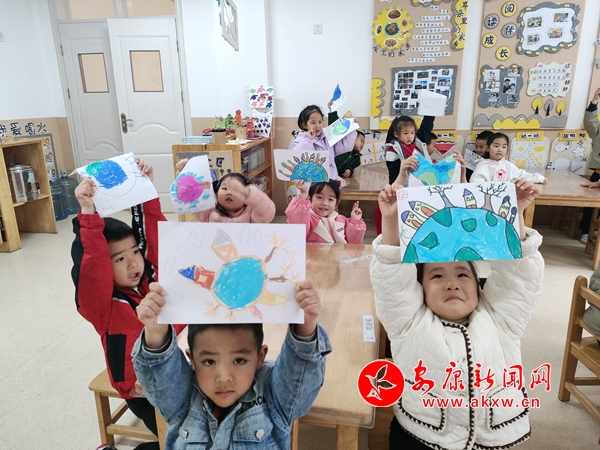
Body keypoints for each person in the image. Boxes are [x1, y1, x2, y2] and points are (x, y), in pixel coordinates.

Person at [371, 172, 544, 449]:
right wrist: (390, 220)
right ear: (420, 288)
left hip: (492, 436)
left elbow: (519, 275)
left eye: (462, 275)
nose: (451, 283)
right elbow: (392, 281)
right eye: (437, 276)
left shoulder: (502, 318)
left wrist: (516, 213)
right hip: (422, 433)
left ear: (479, 285)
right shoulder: (408, 322)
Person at [132, 280, 332, 449]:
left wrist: (305, 325)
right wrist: (156, 332)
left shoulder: (274, 396)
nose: (224, 377)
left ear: (260, 356)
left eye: (239, 360)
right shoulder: (182, 397)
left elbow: (299, 376)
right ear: (192, 359)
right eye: (209, 361)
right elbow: (162, 374)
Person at [71, 159, 186, 450]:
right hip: (143, 392)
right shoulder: (103, 306)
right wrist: (88, 213)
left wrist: (145, 193)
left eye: (135, 252)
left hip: (179, 373)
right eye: (120, 259)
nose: (134, 262)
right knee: (184, 440)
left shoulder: (150, 280)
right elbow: (92, 267)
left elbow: (155, 241)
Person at [373, 115, 436, 235]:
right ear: (396, 134)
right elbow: (394, 178)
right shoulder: (392, 151)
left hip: (419, 191)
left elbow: (426, 126)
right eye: (406, 133)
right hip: (401, 192)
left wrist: (431, 112)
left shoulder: (417, 143)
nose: (410, 136)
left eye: (412, 132)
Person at [173, 165, 276, 224]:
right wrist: (186, 171)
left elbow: (268, 212)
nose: (229, 192)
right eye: (224, 188)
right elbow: (191, 194)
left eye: (236, 190)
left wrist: (248, 193)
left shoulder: (252, 215)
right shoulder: (208, 212)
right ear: (217, 195)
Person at [286, 179, 366, 244]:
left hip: (337, 257)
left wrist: (355, 221)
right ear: (310, 199)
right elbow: (298, 222)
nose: (324, 203)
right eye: (319, 197)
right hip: (314, 257)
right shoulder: (306, 218)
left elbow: (353, 244)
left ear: (336, 204)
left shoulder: (341, 220)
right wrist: (303, 193)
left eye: (330, 199)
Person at [292, 104, 358, 182]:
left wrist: (352, 129)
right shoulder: (300, 139)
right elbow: (298, 156)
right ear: (305, 125)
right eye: (313, 123)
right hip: (312, 185)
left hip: (331, 182)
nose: (318, 126)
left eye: (320, 122)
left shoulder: (327, 137)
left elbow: (346, 147)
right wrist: (309, 140)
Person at [470, 132, 547, 184]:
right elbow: (475, 186)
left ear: (507, 150)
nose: (500, 149)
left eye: (504, 147)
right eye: (496, 146)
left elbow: (522, 175)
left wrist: (540, 179)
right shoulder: (482, 167)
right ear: (487, 148)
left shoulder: (509, 166)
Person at [578, 88, 600, 244]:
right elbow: (590, 124)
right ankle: (586, 231)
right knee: (589, 206)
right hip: (598, 173)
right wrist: (594, 101)